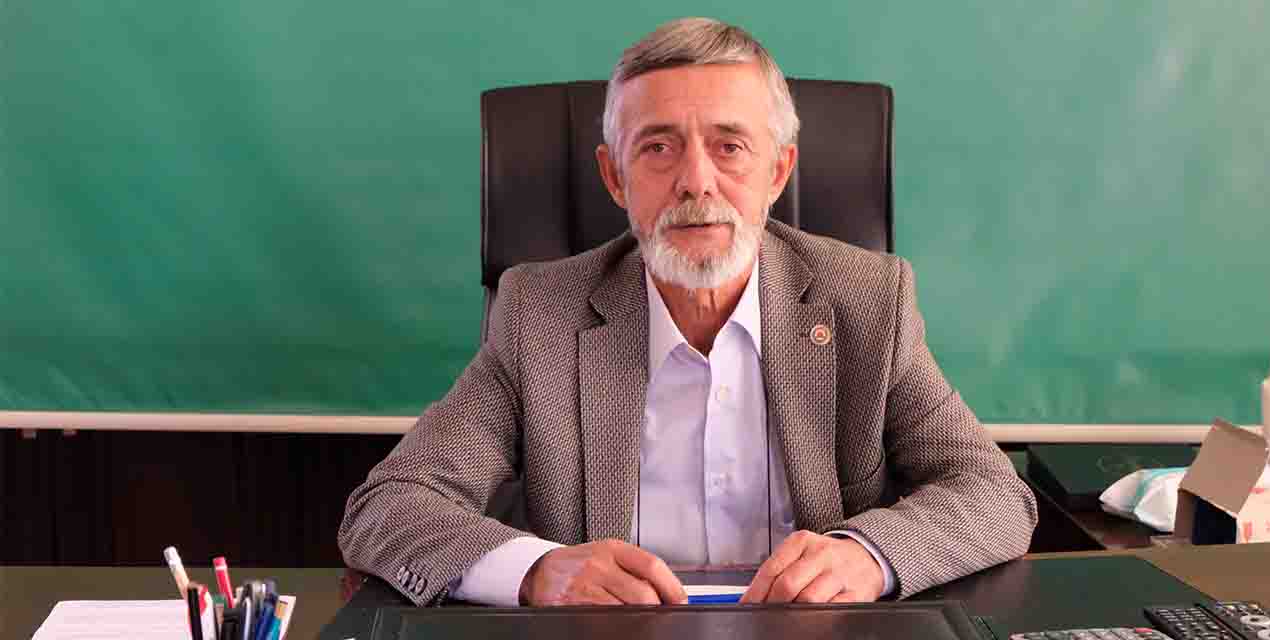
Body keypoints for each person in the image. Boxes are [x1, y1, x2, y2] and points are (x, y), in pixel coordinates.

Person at [338, 16, 1036, 607]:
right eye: (658, 148)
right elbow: (390, 506)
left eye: (729, 146)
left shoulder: (867, 300)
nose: (696, 182)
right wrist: (538, 572)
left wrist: (868, 555)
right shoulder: (539, 315)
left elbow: (993, 494)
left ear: (778, 171)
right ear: (614, 177)